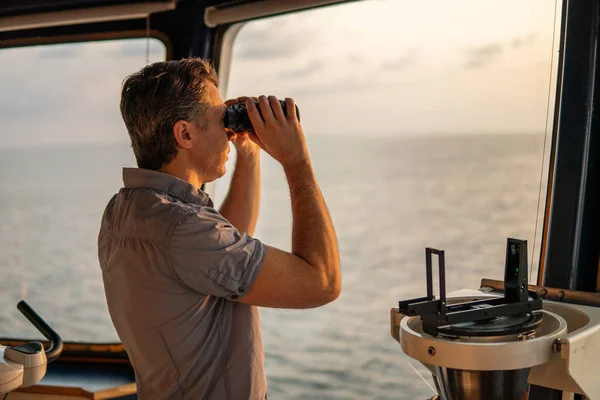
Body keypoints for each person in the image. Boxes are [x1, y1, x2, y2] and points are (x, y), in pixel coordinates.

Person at [97, 58, 341, 400]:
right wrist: (296, 160)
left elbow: (223, 251)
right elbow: (322, 283)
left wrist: (249, 153)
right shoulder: (183, 228)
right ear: (184, 133)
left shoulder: (127, 209)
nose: (230, 129)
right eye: (220, 118)